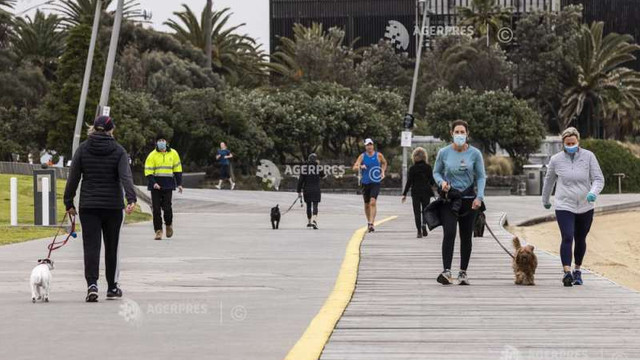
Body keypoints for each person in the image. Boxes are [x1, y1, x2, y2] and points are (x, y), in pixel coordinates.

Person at [63, 115, 137, 302]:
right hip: (112, 206)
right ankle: (112, 287)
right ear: (111, 130)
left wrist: (68, 202)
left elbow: (73, 178)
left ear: (93, 129)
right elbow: (126, 177)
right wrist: (131, 198)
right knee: (112, 247)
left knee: (91, 246)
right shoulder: (119, 150)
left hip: (89, 206)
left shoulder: (82, 149)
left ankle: (92, 285)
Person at [542, 127, 604, 287]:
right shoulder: (556, 160)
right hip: (564, 205)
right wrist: (546, 199)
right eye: (567, 143)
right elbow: (549, 181)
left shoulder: (589, 157)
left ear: (578, 142)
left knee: (580, 238)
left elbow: (598, 179)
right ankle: (566, 272)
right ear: (563, 143)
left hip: (585, 205)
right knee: (567, 236)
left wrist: (593, 193)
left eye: (573, 142)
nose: (570, 145)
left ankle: (577, 270)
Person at [433, 120, 486, 286]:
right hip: (450, 199)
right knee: (449, 233)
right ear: (452, 133)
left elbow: (481, 176)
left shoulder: (475, 154)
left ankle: (463, 272)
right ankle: (446, 271)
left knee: (466, 236)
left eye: (463, 132)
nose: (460, 135)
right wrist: (441, 182)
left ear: (467, 134)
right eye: (457, 132)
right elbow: (436, 172)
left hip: (469, 200)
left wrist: (480, 197)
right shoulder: (444, 152)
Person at [145, 135, 183, 241]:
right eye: (159, 141)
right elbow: (148, 171)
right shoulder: (152, 155)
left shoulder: (173, 153)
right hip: (155, 186)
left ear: (166, 142)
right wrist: (154, 183)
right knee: (156, 209)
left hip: (168, 185)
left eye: (163, 140)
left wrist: (179, 183)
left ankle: (169, 225)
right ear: (156, 143)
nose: (161, 142)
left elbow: (177, 169)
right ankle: (158, 231)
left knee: (167, 207)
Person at [352, 138, 388, 233]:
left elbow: (384, 163)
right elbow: (354, 167)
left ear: (373, 145)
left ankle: (372, 223)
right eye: (368, 145)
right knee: (367, 204)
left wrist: (383, 171)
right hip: (365, 182)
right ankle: (368, 221)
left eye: (371, 144)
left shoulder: (378, 155)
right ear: (365, 146)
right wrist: (360, 166)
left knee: (373, 202)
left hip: (375, 182)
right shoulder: (362, 156)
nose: (370, 146)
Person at [402, 147, 437, 238]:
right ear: (424, 156)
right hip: (426, 192)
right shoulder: (428, 167)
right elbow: (432, 181)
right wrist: (438, 188)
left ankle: (418, 231)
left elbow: (409, 182)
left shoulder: (412, 168)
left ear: (414, 157)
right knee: (425, 210)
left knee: (416, 212)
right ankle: (424, 225)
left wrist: (404, 194)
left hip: (416, 192)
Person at [297, 153, 325, 229]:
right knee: (315, 205)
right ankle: (314, 220)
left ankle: (309, 221)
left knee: (308, 206)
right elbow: (323, 175)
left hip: (307, 189)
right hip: (316, 189)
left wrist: (299, 191)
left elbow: (300, 181)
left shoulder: (304, 168)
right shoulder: (318, 167)